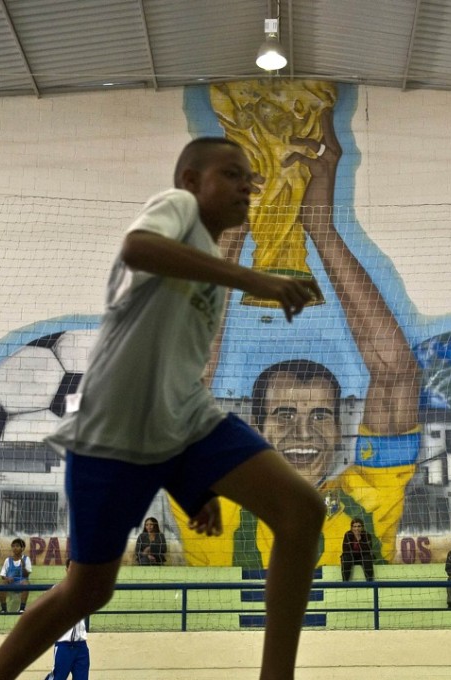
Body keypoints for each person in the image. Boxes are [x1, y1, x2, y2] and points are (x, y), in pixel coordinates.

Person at [0, 136, 325, 680]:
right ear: (189, 180)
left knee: (301, 510)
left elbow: (174, 373)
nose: (246, 187)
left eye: (249, 179)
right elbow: (137, 247)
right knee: (88, 589)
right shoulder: (176, 209)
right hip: (115, 429)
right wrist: (257, 277)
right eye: (231, 174)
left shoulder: (206, 269)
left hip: (186, 424)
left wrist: (194, 484)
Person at [171, 104, 421, 570]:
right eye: (284, 414)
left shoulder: (365, 503)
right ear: (255, 431)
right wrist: (233, 232)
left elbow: (396, 376)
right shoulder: (212, 503)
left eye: (321, 415)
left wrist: (321, 230)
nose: (304, 432)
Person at [44, 561, 89, 680]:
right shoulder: (57, 590)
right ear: (66, 569)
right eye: (71, 567)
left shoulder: (85, 591)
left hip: (81, 646)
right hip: (64, 645)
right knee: (58, 677)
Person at [0, 538, 31, 614]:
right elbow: (2, 575)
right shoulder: (7, 560)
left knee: (26, 583)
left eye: (17, 546)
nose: (15, 548)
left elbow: (26, 575)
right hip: (10, 582)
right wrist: (7, 578)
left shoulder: (26, 559)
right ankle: (3, 609)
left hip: (21, 582)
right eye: (13, 546)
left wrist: (23, 567)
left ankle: (22, 608)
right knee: (1, 584)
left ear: (22, 548)